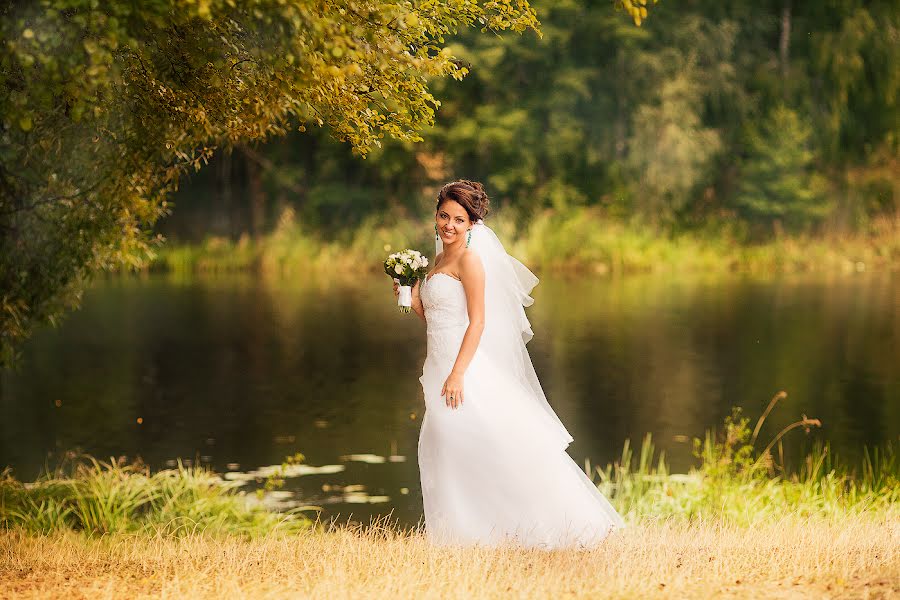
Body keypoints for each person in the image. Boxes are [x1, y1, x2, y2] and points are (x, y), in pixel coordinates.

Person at [393, 180, 624, 549]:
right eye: (443, 216)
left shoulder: (470, 260)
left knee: (486, 443)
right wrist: (414, 300)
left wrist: (457, 373)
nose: (448, 226)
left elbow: (478, 322)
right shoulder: (437, 261)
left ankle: (541, 526)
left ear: (471, 225)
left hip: (462, 369)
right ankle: (463, 535)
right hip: (438, 365)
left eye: (458, 219)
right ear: (435, 215)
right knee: (446, 445)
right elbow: (438, 320)